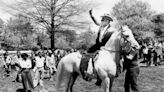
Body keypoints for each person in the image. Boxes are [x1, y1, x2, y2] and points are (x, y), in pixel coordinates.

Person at [80, 9, 116, 86]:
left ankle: (102, 77)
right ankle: (87, 72)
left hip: (106, 47)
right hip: (98, 45)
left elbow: (112, 41)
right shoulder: (101, 26)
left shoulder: (111, 30)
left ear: (108, 21)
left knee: (101, 60)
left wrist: (105, 47)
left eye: (103, 19)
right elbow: (96, 22)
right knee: (86, 54)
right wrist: (91, 16)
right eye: (102, 19)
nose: (101, 20)